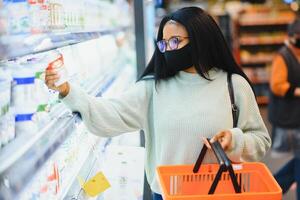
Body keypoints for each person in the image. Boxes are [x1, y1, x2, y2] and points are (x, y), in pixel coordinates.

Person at [45, 7, 271, 200]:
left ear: (201, 39)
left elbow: (261, 140)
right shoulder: (153, 88)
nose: (169, 50)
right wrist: (67, 91)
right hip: (166, 194)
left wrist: (235, 140)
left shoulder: (234, 85)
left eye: (175, 41)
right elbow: (109, 116)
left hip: (220, 192)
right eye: (163, 44)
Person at [269, 18, 300, 200]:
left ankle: (274, 186)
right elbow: (277, 85)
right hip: (288, 118)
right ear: (291, 36)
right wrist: (296, 91)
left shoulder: (297, 54)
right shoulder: (282, 56)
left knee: (298, 160)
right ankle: (275, 185)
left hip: (295, 116)